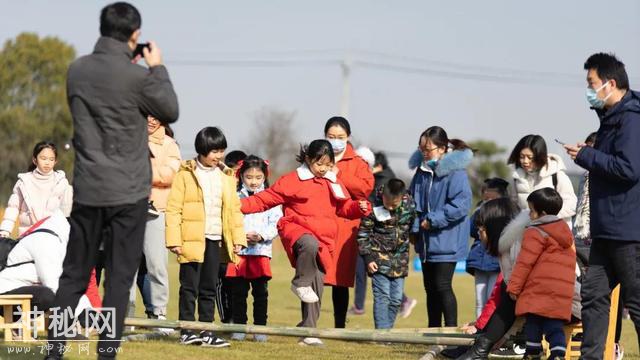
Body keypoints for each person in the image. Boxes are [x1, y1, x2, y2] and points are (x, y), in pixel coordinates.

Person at [45, 2, 179, 358]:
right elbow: (170, 110)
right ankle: (106, 352)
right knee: (119, 279)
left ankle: (54, 349)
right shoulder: (139, 77)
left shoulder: (77, 70)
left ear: (101, 28)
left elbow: (104, 87)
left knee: (72, 276)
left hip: (89, 189)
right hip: (129, 192)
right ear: (135, 33)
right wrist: (156, 66)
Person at [241, 139, 370, 346]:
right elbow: (265, 199)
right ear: (309, 159)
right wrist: (237, 205)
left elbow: (344, 207)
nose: (323, 169)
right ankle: (299, 282)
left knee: (316, 288)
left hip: (324, 240)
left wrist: (359, 208)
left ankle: (309, 331)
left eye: (328, 164)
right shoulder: (293, 180)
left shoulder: (333, 181)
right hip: (296, 230)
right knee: (309, 246)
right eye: (319, 164)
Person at [563, 53, 640, 360]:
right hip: (605, 230)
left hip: (628, 231)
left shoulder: (632, 119)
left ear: (610, 83)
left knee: (636, 304)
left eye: (591, 83)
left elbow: (629, 168)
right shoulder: (609, 120)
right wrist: (589, 153)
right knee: (594, 298)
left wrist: (587, 156)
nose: (588, 90)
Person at [165, 127, 246, 348]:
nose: (219, 156)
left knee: (209, 286)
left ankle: (207, 330)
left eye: (221, 150)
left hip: (214, 238)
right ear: (202, 150)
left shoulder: (226, 177)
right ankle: (187, 330)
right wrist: (174, 239)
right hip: (191, 238)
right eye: (214, 151)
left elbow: (234, 211)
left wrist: (238, 238)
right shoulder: (185, 174)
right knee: (189, 286)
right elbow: (173, 209)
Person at [410, 126, 473, 328]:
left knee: (443, 285)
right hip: (426, 241)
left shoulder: (456, 173)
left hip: (448, 239)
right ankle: (433, 330)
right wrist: (414, 229)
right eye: (421, 149)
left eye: (428, 149)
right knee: (430, 288)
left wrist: (433, 220)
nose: (424, 153)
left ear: (443, 148)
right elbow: (412, 203)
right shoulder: (421, 172)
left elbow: (461, 205)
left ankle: (451, 333)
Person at [507, 188, 576, 359]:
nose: (529, 214)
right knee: (554, 323)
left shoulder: (535, 231)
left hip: (540, 286)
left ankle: (532, 352)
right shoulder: (565, 232)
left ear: (542, 213)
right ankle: (558, 352)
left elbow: (524, 262)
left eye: (531, 210)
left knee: (533, 321)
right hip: (562, 288)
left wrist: (514, 287)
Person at [128, 115, 180, 327]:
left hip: (156, 211)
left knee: (157, 265)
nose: (151, 120)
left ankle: (159, 314)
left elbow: (170, 174)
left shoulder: (169, 144)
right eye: (147, 115)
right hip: (128, 210)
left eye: (155, 116)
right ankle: (126, 314)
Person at [323, 117, 374, 328]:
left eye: (340, 137)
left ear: (348, 138)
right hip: (320, 222)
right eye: (331, 137)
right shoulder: (317, 157)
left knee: (340, 279)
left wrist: (340, 174)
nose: (335, 141)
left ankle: (339, 325)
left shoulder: (357, 163)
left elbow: (365, 189)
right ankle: (308, 325)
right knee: (312, 277)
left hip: (346, 225)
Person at [456, 198, 522, 360]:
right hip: (538, 310)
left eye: (482, 230)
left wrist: (505, 336)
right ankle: (481, 346)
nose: (478, 234)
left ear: (495, 229)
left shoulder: (517, 250)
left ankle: (481, 349)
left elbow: (522, 302)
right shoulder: (507, 250)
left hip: (558, 311)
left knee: (509, 294)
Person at [227, 155, 282, 342]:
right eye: (249, 177)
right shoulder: (234, 196)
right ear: (241, 175)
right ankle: (240, 327)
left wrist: (261, 236)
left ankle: (260, 329)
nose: (253, 181)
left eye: (258, 177)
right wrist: (240, 237)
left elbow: (276, 223)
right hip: (239, 252)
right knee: (238, 293)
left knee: (261, 293)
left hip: (261, 252)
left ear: (265, 176)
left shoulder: (271, 197)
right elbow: (230, 221)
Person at [357, 178, 416, 329]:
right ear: (383, 194)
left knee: (396, 300)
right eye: (387, 202)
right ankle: (382, 335)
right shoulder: (372, 205)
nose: (389, 207)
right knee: (382, 297)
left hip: (400, 260)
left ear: (402, 198)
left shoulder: (409, 205)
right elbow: (363, 234)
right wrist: (368, 258)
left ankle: (387, 332)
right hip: (378, 258)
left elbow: (412, 226)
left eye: (394, 204)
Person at [0, 142, 72, 237]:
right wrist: (5, 230)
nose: (47, 162)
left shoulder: (61, 182)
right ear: (35, 160)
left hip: (52, 237)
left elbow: (67, 213)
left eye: (51, 159)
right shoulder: (23, 182)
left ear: (55, 162)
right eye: (43, 158)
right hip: (26, 237)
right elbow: (13, 207)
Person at [507, 135, 577, 226]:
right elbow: (513, 207)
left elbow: (571, 205)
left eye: (529, 157)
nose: (525, 161)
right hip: (527, 232)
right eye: (522, 156)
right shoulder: (516, 179)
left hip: (555, 232)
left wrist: (545, 217)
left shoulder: (557, 176)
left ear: (540, 156)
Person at [466, 178, 509, 318]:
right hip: (479, 261)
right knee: (479, 300)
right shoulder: (480, 211)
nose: (488, 201)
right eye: (486, 198)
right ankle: (479, 329)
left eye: (492, 198)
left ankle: (489, 330)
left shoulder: (508, 213)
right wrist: (478, 213)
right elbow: (471, 230)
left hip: (497, 263)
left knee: (492, 297)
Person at [216, 149, 247, 324]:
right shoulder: (220, 188)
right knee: (221, 283)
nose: (236, 178)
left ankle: (238, 319)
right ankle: (226, 318)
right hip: (222, 244)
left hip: (241, 245)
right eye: (233, 172)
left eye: (239, 173)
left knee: (239, 286)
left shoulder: (247, 193)